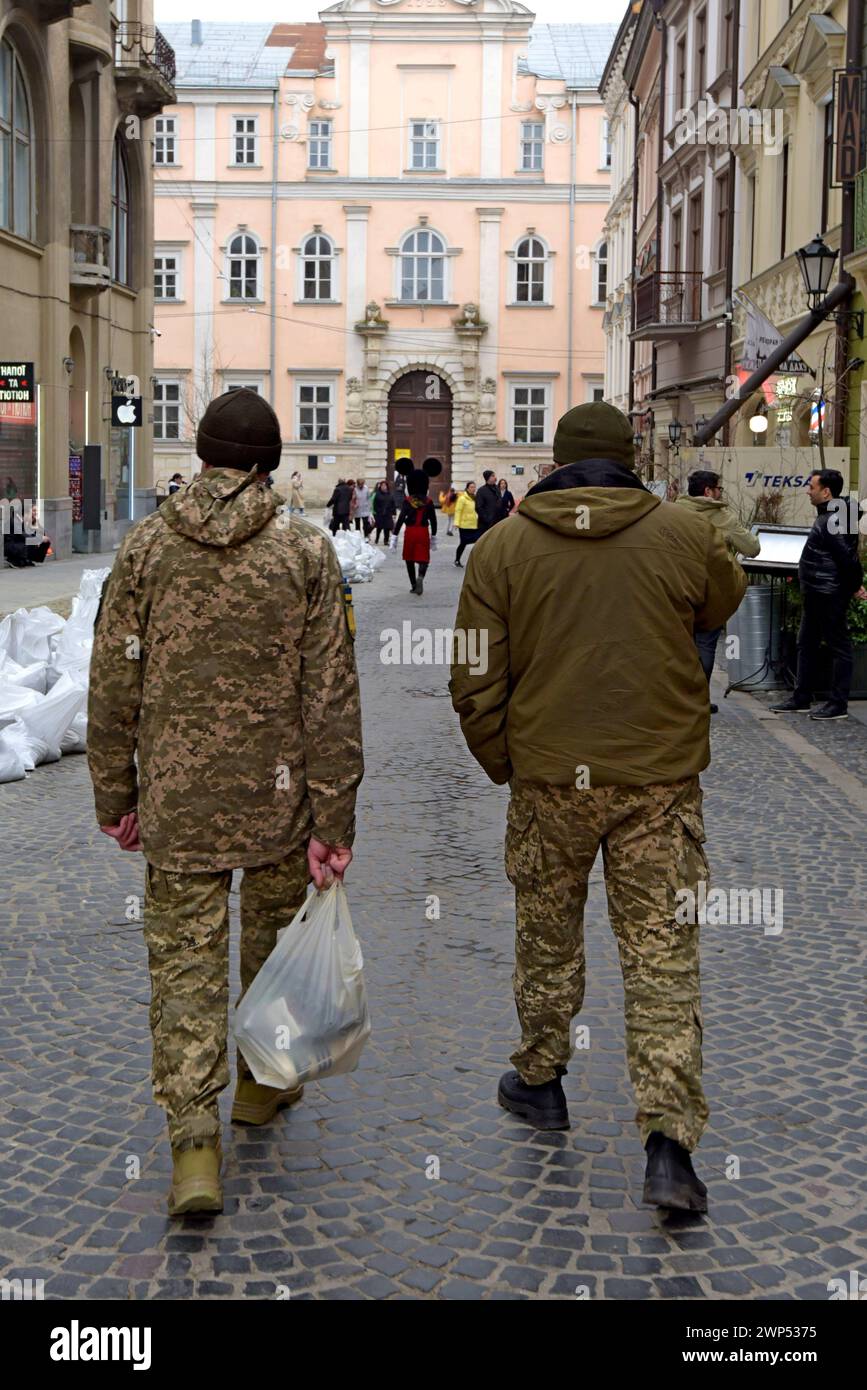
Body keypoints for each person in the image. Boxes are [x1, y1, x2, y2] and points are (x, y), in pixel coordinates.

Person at [450, 401, 747, 1213]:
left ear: (554, 460)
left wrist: (507, 763)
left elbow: (473, 676)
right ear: (626, 458)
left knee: (546, 935)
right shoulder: (684, 534)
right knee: (662, 957)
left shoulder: (503, 547)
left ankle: (540, 1078)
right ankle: (668, 1144)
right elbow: (720, 602)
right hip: (657, 783)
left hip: (550, 781)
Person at [87, 387, 363, 1217]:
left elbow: (112, 684)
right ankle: (257, 1087)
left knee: (184, 969)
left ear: (201, 456)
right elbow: (332, 697)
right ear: (269, 462)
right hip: (279, 810)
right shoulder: (305, 553)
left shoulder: (145, 550)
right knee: (271, 954)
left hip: (177, 806)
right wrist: (333, 817)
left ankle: (195, 1152)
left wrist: (116, 793)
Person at [771, 468, 865, 721]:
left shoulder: (836, 518)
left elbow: (848, 557)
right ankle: (802, 697)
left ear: (826, 492)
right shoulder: (832, 514)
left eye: (811, 487)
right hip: (816, 591)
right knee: (806, 643)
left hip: (829, 592)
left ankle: (837, 704)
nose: (807, 491)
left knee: (838, 646)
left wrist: (855, 585)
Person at [675, 470, 760, 711]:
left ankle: (680, 697)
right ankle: (700, 699)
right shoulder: (722, 517)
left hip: (677, 587)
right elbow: (753, 548)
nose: (720, 492)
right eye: (718, 489)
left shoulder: (673, 511)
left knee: (679, 642)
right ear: (708, 492)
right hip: (710, 591)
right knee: (706, 644)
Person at [391, 456, 441, 596]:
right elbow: (434, 520)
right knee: (423, 558)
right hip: (423, 532)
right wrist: (434, 535)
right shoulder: (429, 502)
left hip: (410, 532)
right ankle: (421, 577)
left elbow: (401, 519)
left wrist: (394, 536)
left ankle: (413, 584)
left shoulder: (408, 501)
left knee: (409, 559)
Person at [453, 482, 479, 568]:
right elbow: (458, 511)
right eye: (471, 487)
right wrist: (456, 523)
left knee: (477, 541)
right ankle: (457, 559)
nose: (473, 489)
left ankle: (475, 561)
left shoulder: (475, 498)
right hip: (464, 525)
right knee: (463, 543)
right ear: (467, 488)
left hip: (474, 524)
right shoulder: (462, 498)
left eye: (474, 487)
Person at [372, 479, 396, 544]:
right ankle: (377, 538)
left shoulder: (390, 494)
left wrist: (394, 513)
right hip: (380, 514)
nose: (383, 487)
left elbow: (393, 504)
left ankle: (386, 540)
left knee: (387, 528)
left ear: (387, 486)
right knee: (379, 528)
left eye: (385, 485)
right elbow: (375, 504)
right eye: (382, 485)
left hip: (388, 514)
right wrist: (376, 512)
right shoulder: (377, 494)